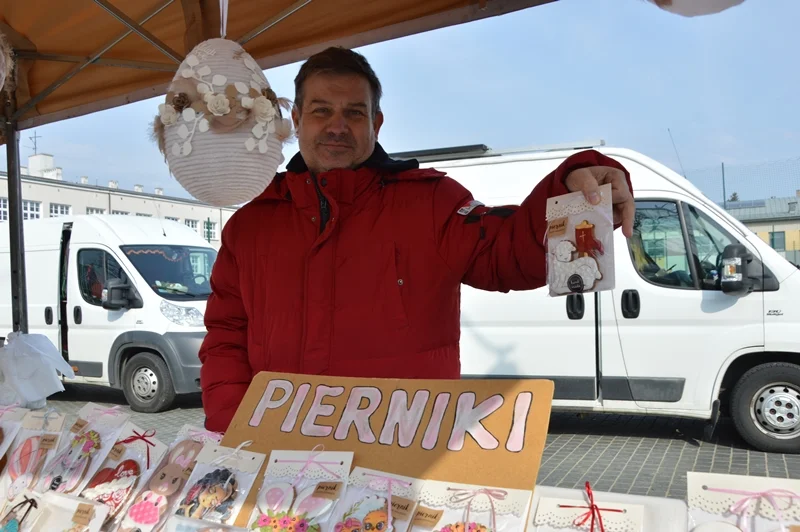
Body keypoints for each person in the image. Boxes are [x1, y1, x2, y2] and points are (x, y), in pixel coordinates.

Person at [198, 47, 635, 432]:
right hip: (278, 456)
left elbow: (507, 255)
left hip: (402, 460)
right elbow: (225, 337)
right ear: (296, 118)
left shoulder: (431, 203)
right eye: (320, 110)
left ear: (377, 122)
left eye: (353, 112)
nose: (337, 126)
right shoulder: (252, 223)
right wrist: (232, 427)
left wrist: (571, 193)